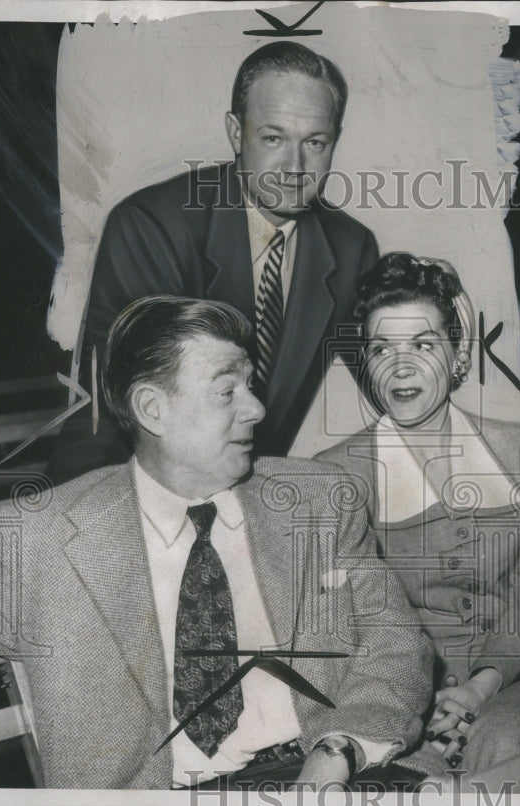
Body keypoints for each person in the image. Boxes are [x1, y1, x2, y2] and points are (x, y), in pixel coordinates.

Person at [0, 295, 433, 789]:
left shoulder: (320, 502)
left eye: (250, 384)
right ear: (152, 409)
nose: (256, 407)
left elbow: (396, 644)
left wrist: (338, 750)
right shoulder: (47, 536)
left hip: (335, 767)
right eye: (226, 390)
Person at [48, 41, 378, 483]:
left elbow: (392, 376)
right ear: (236, 132)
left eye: (315, 142)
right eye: (273, 138)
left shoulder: (351, 246)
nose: (294, 166)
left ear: (334, 139)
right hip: (140, 487)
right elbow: (106, 415)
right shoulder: (152, 225)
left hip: (250, 495)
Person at [316, 253, 520, 772]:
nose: (401, 365)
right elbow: (345, 625)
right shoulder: (337, 474)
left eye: (422, 345)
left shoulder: (519, 450)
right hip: (402, 698)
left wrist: (481, 687)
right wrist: (418, 702)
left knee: (503, 744)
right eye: (381, 347)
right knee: (414, 784)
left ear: (458, 356)